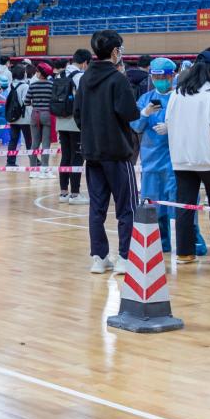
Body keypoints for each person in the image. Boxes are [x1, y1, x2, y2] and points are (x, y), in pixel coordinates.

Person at [73, 31, 140, 275]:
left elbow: (78, 115)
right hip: (117, 153)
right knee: (127, 207)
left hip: (92, 153)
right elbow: (130, 113)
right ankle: (124, 257)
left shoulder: (84, 79)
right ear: (114, 51)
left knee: (97, 208)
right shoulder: (118, 79)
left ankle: (99, 258)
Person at [166, 50, 210, 265]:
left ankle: (184, 252)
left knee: (185, 204)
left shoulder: (177, 92)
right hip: (207, 157)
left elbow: (168, 121)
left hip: (180, 157)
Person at [131, 58, 207, 254]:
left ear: (172, 76)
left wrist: (172, 127)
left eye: (163, 77)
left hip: (176, 161)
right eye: (155, 77)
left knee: (182, 203)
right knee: (155, 205)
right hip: (151, 161)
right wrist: (145, 113)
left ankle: (194, 241)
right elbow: (136, 126)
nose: (159, 81)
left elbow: (193, 124)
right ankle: (161, 242)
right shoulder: (145, 99)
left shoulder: (181, 98)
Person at [54, 50, 90, 203]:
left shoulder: (59, 75)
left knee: (65, 156)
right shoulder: (80, 77)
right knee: (77, 157)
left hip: (61, 120)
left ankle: (63, 193)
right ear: (85, 62)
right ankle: (75, 194)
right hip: (76, 122)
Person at [27, 62, 54, 177]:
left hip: (35, 115)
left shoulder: (32, 85)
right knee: (46, 143)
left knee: (34, 143)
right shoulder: (52, 85)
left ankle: (33, 170)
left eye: (37, 71)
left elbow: (26, 101)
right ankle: (44, 169)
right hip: (47, 114)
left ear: (40, 73)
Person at [5, 64, 33, 167]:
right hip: (24, 118)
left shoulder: (11, 85)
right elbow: (26, 102)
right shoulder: (25, 86)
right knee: (29, 140)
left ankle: (10, 161)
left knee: (13, 140)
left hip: (13, 117)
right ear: (23, 74)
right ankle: (34, 160)